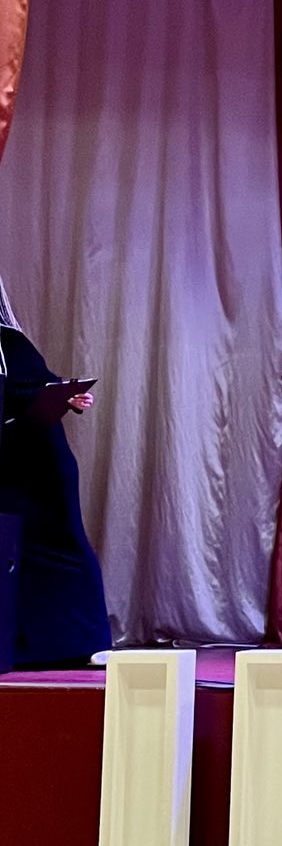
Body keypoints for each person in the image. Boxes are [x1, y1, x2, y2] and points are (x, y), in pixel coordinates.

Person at [0, 276, 112, 669]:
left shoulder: (9, 341)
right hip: (10, 466)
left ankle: (88, 639)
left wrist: (69, 395)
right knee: (16, 556)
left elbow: (35, 386)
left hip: (41, 469)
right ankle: (32, 647)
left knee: (64, 546)